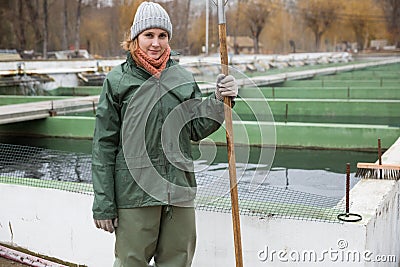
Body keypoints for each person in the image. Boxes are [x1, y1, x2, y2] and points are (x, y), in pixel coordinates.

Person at [91, 2, 238, 266]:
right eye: (149, 35)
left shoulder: (181, 77)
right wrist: (104, 204)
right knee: (130, 262)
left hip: (178, 193)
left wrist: (218, 100)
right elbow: (103, 146)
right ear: (135, 37)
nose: (155, 43)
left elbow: (194, 128)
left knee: (177, 262)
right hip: (134, 195)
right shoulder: (117, 82)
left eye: (162, 35)